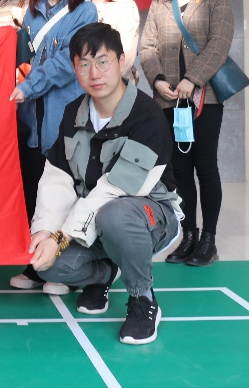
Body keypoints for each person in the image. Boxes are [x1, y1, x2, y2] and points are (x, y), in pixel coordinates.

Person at [25, 22, 181, 345]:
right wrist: (44, 231)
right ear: (74, 69)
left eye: (102, 61)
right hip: (92, 219)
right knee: (49, 268)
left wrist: (61, 237)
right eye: (83, 64)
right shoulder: (73, 113)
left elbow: (115, 189)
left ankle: (143, 299)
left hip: (149, 217)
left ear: (122, 62)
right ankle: (107, 272)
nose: (94, 73)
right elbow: (57, 177)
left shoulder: (147, 116)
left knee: (115, 214)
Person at [8, 0, 97, 292]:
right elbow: (20, 60)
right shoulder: (30, 10)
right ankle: (36, 265)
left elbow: (66, 62)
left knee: (64, 192)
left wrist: (27, 86)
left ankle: (63, 269)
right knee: (34, 191)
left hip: (67, 117)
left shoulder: (85, 10)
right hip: (33, 117)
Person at [139, 0, 233, 267]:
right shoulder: (159, 4)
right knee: (179, 170)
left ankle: (209, 239)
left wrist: (193, 79)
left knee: (205, 166)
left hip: (204, 98)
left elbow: (220, 42)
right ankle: (188, 235)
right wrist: (158, 81)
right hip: (169, 100)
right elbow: (147, 48)